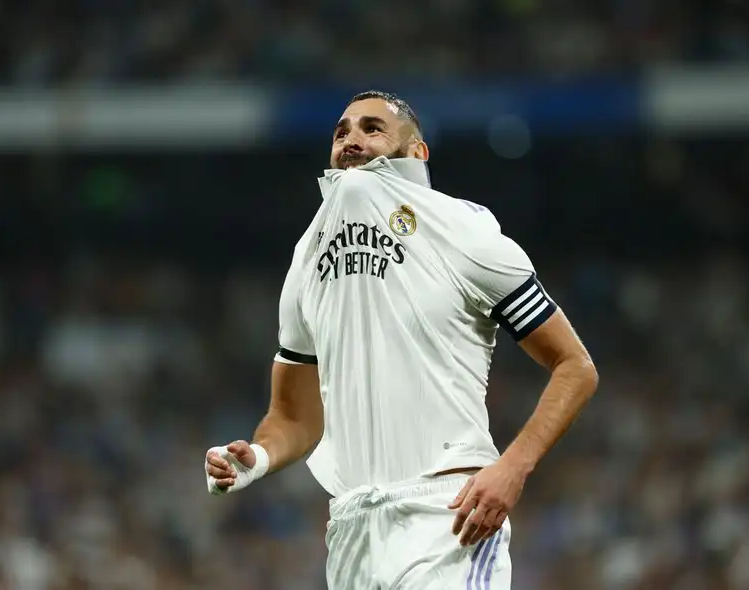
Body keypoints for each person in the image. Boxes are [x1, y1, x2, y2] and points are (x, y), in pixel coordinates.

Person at [205, 90, 599, 589]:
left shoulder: (465, 232)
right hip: (352, 530)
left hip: (447, 515)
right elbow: (295, 416)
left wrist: (512, 468)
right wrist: (257, 459)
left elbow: (575, 366)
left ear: (418, 152)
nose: (351, 139)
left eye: (373, 128)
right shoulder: (306, 259)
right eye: (341, 130)